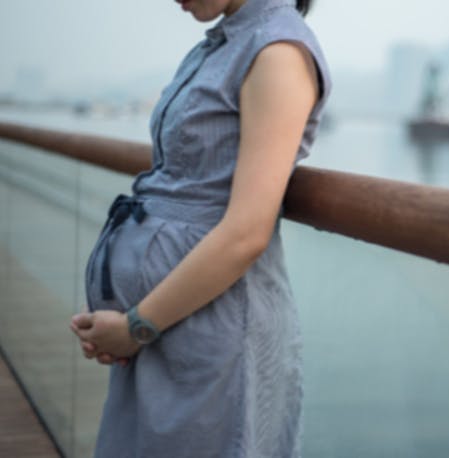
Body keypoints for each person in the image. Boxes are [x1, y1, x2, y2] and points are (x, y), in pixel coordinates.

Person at [68, 0, 331, 456]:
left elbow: (247, 232)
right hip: (169, 325)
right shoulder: (220, 44)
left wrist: (134, 327)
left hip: (212, 332)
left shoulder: (278, 52)